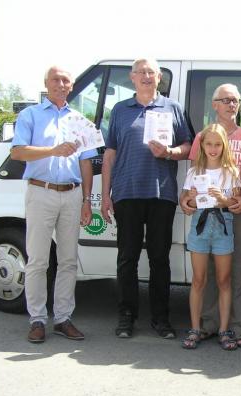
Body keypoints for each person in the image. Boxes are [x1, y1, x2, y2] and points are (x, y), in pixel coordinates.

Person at [100, 58, 192, 339]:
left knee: (159, 259)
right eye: (141, 72)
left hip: (161, 193)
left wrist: (170, 152)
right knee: (127, 258)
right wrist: (105, 195)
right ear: (132, 77)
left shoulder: (172, 107)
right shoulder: (119, 109)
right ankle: (126, 316)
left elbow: (188, 147)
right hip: (126, 193)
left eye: (151, 72)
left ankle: (160, 318)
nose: (146, 76)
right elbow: (110, 154)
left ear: (159, 77)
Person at [10, 65, 97, 343]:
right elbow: (17, 152)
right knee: (37, 260)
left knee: (68, 260)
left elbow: (86, 162)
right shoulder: (30, 115)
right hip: (41, 192)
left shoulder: (80, 120)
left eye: (65, 80)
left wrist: (86, 200)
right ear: (46, 83)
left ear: (71, 86)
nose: (61, 84)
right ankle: (37, 319)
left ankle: (63, 318)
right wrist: (53, 150)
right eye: (55, 79)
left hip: (72, 194)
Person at [181, 84, 241, 348]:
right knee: (208, 274)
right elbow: (194, 178)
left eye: (235, 100)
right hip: (206, 216)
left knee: (237, 270)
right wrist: (187, 201)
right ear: (214, 104)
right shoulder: (202, 136)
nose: (231, 104)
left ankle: (236, 327)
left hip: (237, 212)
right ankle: (209, 325)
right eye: (225, 100)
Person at [179, 124, 241, 350]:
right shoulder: (194, 172)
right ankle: (195, 328)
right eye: (209, 144)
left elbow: (236, 203)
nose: (213, 149)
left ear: (224, 146)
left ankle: (224, 330)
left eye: (217, 144)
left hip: (223, 225)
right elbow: (186, 203)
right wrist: (191, 199)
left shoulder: (231, 172)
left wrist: (222, 199)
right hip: (200, 225)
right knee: (198, 279)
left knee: (224, 280)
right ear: (202, 145)